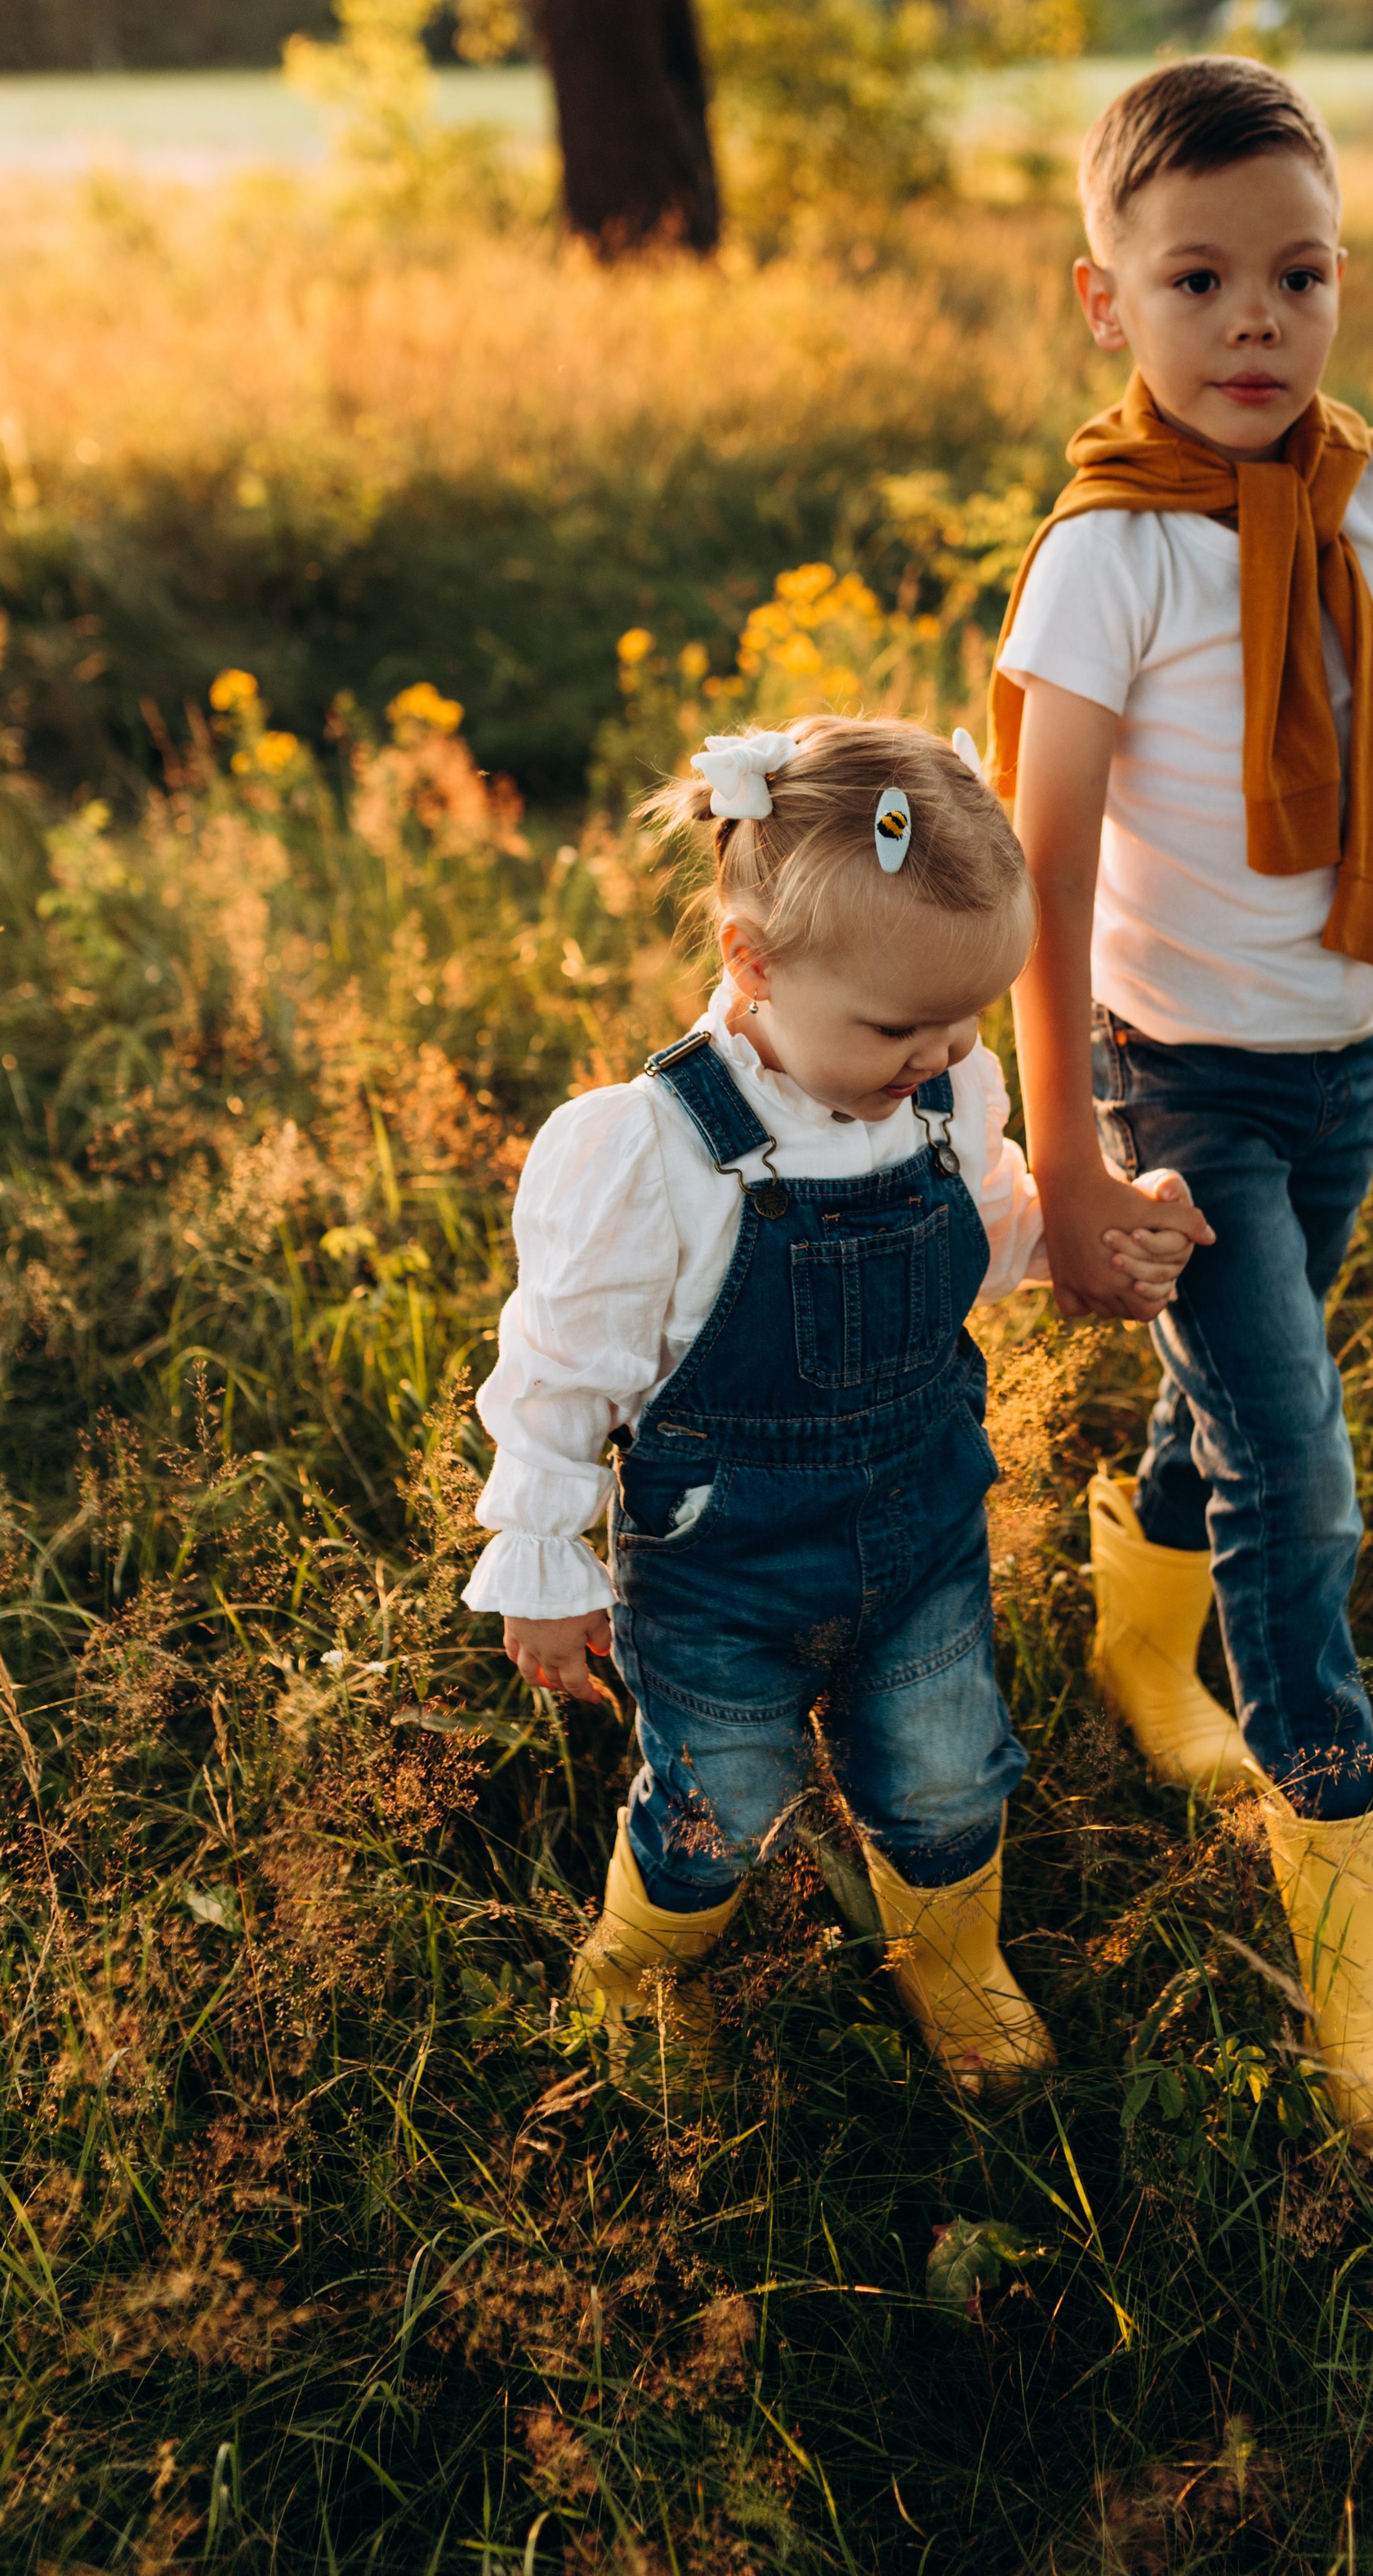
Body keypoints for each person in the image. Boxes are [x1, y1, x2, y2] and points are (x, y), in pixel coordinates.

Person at [990, 58, 1373, 2153]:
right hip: (1176, 1077)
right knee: (1297, 1474)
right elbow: (1039, 890)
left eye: (1295, 275)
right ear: (1104, 301)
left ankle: (1141, 1659)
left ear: (1340, 283)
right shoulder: (1111, 560)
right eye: (1198, 277)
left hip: (1355, 1059)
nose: (1253, 320)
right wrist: (1065, 1163)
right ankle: (1360, 1958)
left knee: (1223, 1403)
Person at [462, 715, 1203, 2102]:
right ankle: (640, 1967)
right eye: (895, 1026)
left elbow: (978, 1237)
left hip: (918, 1535)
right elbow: (558, 1378)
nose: (934, 1054)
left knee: (943, 1772)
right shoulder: (651, 1150)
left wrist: (1084, 1236)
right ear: (752, 961)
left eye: (959, 1022)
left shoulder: (934, 1096)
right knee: (715, 1800)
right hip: (722, 1568)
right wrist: (543, 1561)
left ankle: (951, 1955)